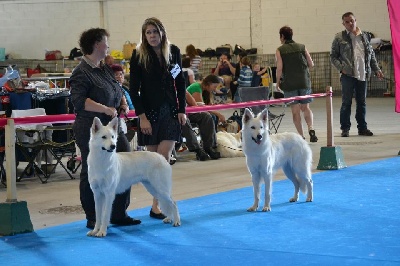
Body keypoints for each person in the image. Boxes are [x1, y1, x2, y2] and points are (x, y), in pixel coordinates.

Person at [69, 28, 140, 229]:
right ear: (97, 44)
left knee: (125, 164)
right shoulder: (81, 72)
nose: (108, 46)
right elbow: (79, 102)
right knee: (91, 171)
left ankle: (118, 213)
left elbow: (118, 88)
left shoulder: (104, 68)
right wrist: (106, 109)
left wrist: (123, 102)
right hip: (91, 129)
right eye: (106, 42)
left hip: (111, 128)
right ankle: (93, 216)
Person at [129, 17, 187, 219]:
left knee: (163, 159)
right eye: (148, 32)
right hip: (149, 114)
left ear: (162, 32)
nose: (152, 36)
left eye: (155, 31)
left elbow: (180, 82)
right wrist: (142, 117)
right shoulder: (138, 55)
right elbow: (133, 90)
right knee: (152, 164)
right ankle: (159, 203)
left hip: (170, 112)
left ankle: (157, 206)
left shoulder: (174, 52)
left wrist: (182, 109)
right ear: (144, 36)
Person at [330, 12, 384, 137]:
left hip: (363, 75)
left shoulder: (365, 36)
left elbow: (371, 55)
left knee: (362, 102)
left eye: (352, 20)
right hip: (348, 75)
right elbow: (333, 57)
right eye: (347, 22)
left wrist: (377, 69)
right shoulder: (339, 37)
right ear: (343, 24)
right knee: (346, 103)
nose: (350, 23)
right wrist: (342, 68)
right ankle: (345, 128)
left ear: (356, 20)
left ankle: (362, 128)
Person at [275, 26, 318, 142]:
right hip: (304, 82)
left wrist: (277, 82)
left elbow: (279, 68)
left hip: (290, 84)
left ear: (282, 36)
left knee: (295, 111)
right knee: (306, 107)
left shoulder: (280, 50)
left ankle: (301, 137)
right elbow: (311, 63)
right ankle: (311, 128)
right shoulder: (301, 47)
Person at [183, 91, 220, 160]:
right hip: (171, 115)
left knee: (206, 116)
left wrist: (186, 94)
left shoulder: (177, 85)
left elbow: (193, 104)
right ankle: (197, 150)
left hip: (186, 112)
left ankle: (209, 147)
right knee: (184, 120)